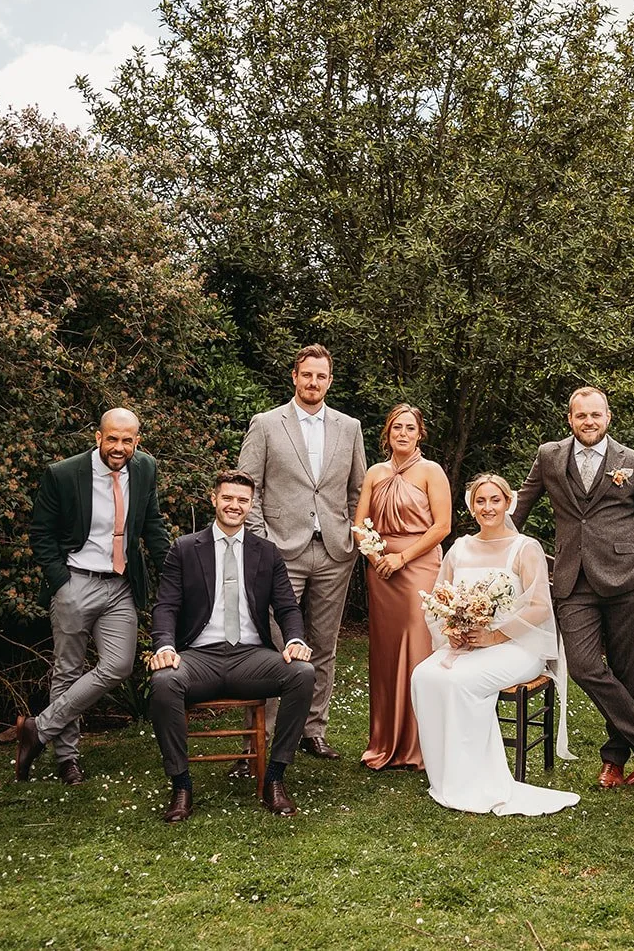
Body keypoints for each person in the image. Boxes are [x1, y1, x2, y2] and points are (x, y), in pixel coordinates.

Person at [511, 386, 634, 789]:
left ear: (608, 417)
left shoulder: (633, 462)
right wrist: (495, 547)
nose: (589, 422)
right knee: (584, 665)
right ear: (570, 418)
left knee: (625, 670)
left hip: (626, 580)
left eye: (595, 415)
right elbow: (520, 508)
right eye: (581, 416)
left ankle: (615, 760)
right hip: (572, 579)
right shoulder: (549, 456)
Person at [146, 470, 316, 821]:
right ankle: (181, 785)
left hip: (251, 658)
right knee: (164, 682)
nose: (234, 505)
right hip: (199, 658)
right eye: (228, 498)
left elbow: (286, 606)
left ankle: (275, 778)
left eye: (242, 500)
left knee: (302, 673)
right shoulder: (184, 549)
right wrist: (164, 646)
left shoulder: (266, 552)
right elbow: (166, 606)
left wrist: (295, 640)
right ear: (214, 499)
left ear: (251, 505)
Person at [411, 474, 582, 815]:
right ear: (472, 506)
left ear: (508, 503)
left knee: (461, 682)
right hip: (469, 644)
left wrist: (496, 634)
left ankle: (475, 778)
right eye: (480, 501)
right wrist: (452, 631)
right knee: (423, 676)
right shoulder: (459, 548)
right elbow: (438, 599)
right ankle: (445, 775)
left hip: (519, 646)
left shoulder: (524, 548)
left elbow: (538, 607)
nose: (487, 508)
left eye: (494, 500)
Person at [18, 408, 172, 784]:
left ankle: (39, 728)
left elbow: (151, 525)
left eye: (127, 440)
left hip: (120, 584)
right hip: (76, 581)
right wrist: (61, 581)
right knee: (67, 670)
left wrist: (173, 571)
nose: (119, 447)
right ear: (98, 438)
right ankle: (66, 759)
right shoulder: (64, 474)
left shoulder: (145, 469)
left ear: (137, 441)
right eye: (112, 439)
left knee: (119, 665)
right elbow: (41, 533)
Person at [236, 344, 366, 761]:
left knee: (324, 645)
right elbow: (246, 487)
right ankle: (263, 734)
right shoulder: (267, 424)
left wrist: (351, 537)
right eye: (307, 375)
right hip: (280, 554)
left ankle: (314, 729)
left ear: (330, 380)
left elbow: (358, 491)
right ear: (294, 376)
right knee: (273, 645)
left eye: (321, 376)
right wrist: (262, 542)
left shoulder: (349, 427)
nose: (314, 383)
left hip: (333, 552)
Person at [353, 403, 451, 769]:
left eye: (410, 428)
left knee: (416, 647)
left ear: (420, 433)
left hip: (418, 567)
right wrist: (375, 555)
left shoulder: (431, 471)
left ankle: (419, 745)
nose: (404, 434)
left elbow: (441, 527)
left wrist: (402, 558)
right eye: (397, 428)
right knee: (386, 651)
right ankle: (385, 740)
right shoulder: (375, 473)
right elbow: (360, 523)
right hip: (381, 571)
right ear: (387, 434)